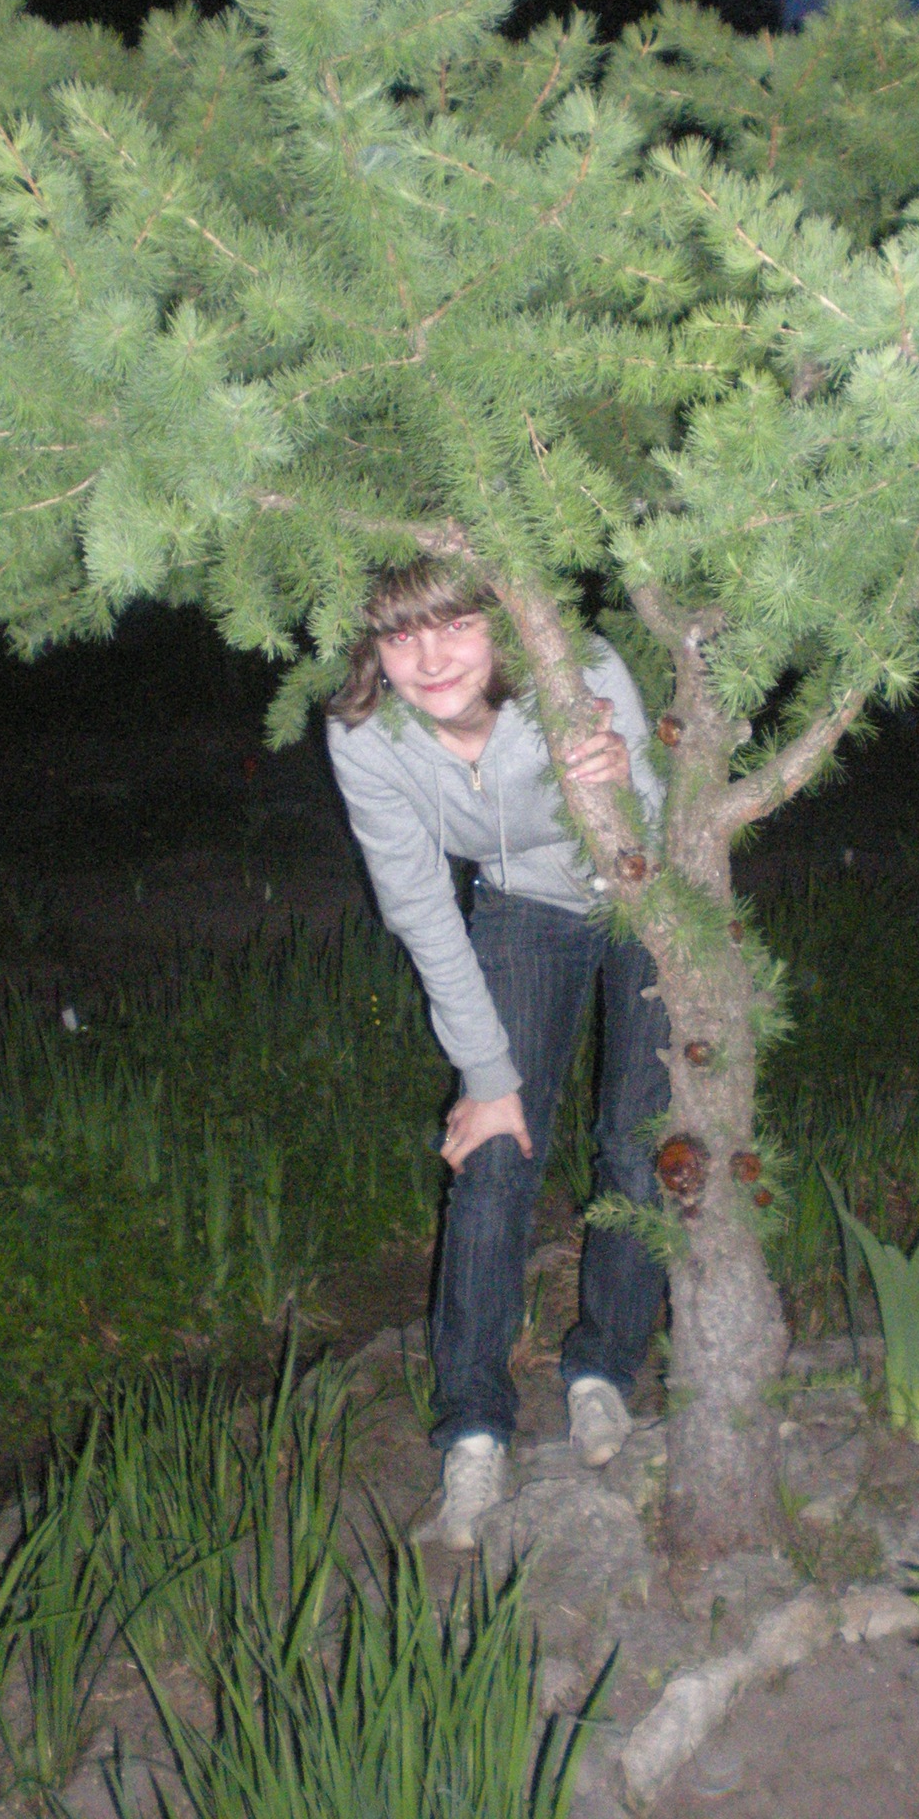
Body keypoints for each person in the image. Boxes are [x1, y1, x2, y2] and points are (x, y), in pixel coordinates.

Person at [327, 558, 669, 1550]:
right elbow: (419, 907)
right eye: (401, 634)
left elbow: (659, 828)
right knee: (491, 1155)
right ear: (373, 646)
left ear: (505, 624)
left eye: (456, 624)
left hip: (650, 898)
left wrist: (625, 781)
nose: (430, 657)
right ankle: (474, 1428)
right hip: (522, 906)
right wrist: (487, 1077)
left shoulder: (577, 669)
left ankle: (604, 1370)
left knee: (640, 1146)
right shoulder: (364, 735)